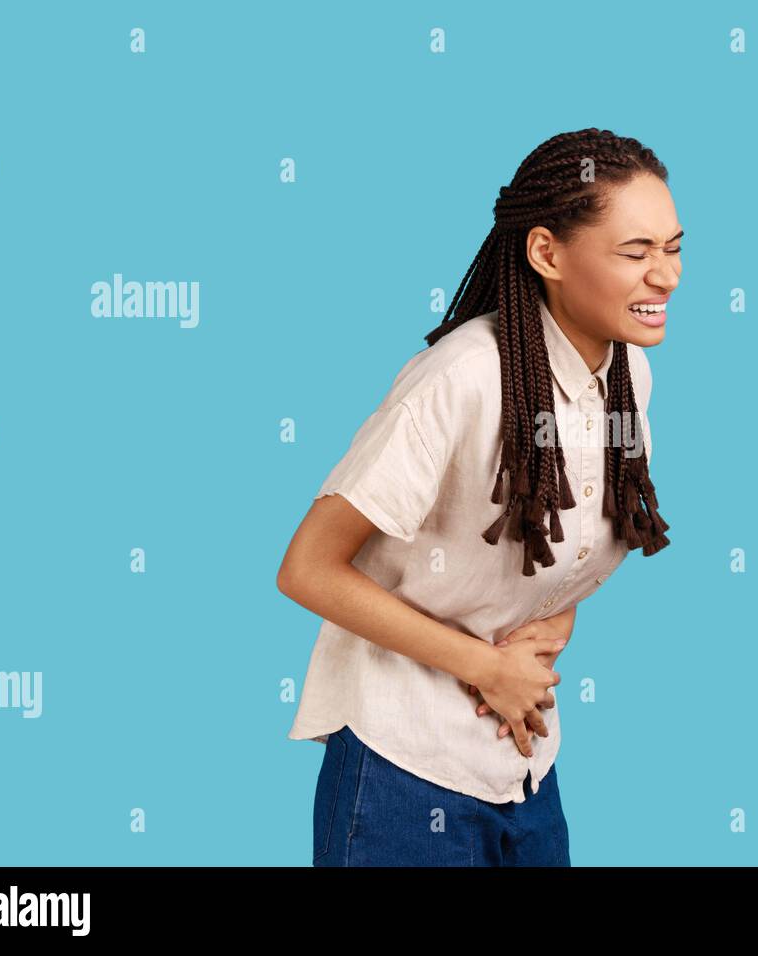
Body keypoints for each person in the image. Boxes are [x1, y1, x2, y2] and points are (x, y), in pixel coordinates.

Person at [276, 127, 681, 866]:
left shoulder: (626, 377)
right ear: (547, 254)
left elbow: (567, 543)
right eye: (636, 252)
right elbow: (307, 568)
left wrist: (553, 621)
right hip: (402, 771)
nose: (667, 276)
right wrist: (485, 665)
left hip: (522, 762)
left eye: (673, 248)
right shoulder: (459, 379)